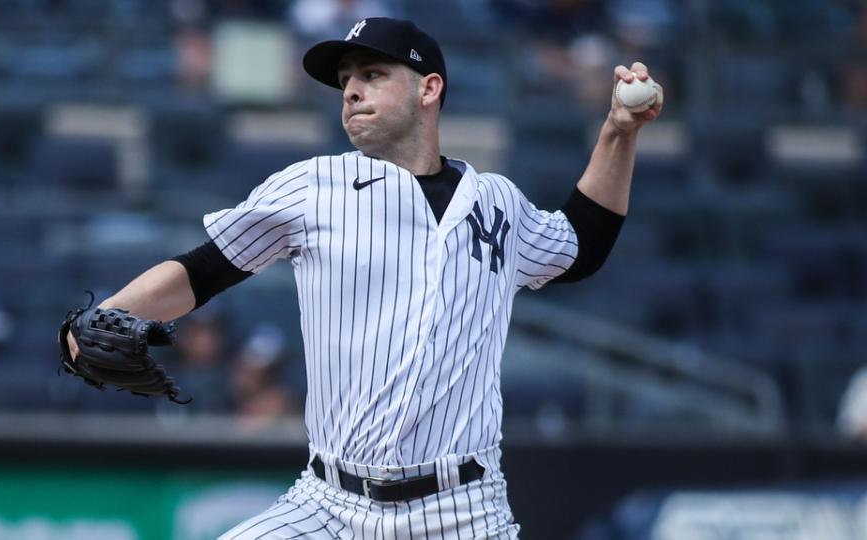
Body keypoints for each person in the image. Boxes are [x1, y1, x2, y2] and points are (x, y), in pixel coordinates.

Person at [66, 17, 662, 538]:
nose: (351, 89)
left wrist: (618, 131)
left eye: (374, 74)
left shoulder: (497, 203)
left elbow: (580, 246)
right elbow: (202, 270)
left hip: (461, 513)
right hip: (327, 505)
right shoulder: (312, 188)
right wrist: (109, 313)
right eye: (346, 79)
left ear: (430, 89)